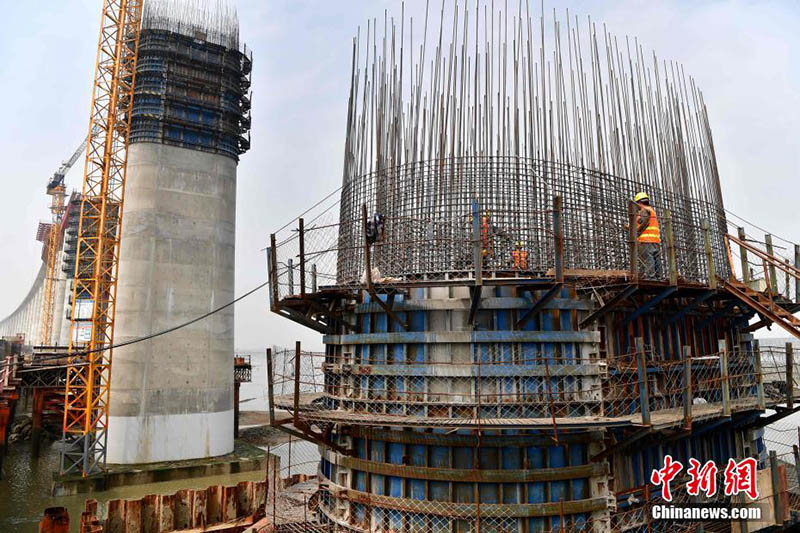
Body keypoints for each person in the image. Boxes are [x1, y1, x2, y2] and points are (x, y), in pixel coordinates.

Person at [633, 192, 662, 278]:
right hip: (655, 240)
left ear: (639, 202)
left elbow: (644, 223)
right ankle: (658, 276)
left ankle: (651, 277)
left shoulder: (644, 210)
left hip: (646, 240)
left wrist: (635, 231)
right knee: (656, 258)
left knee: (648, 259)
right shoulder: (651, 210)